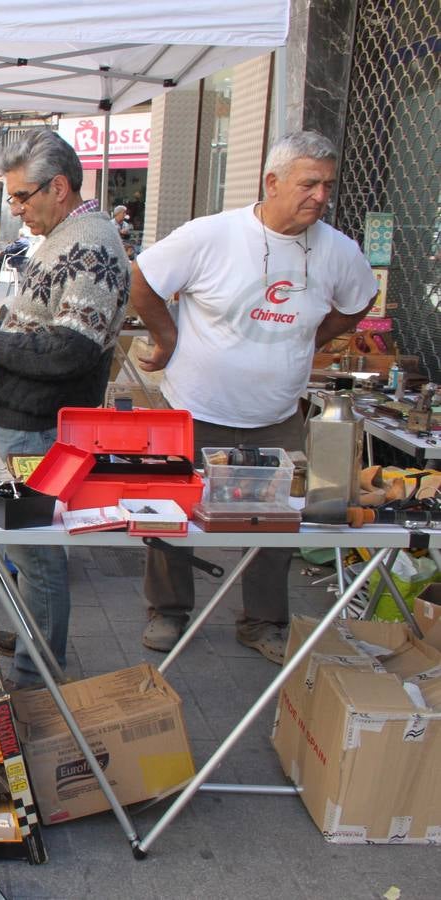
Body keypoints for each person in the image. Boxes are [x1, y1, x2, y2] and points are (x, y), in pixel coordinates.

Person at [130, 130, 377, 663]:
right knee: (174, 513)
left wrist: (315, 337)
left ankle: (262, 622)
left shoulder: (337, 251)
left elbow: (360, 300)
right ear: (271, 181)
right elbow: (141, 280)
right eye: (308, 183)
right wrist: (169, 337)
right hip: (193, 408)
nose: (320, 196)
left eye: (327, 185)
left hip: (276, 415)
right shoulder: (210, 236)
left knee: (275, 524)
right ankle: (168, 611)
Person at [0, 131, 130, 689]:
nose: (17, 209)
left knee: (38, 552)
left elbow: (72, 349)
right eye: (12, 198)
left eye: (23, 197)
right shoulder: (62, 237)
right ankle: (35, 635)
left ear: (59, 186)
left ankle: (37, 671)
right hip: (23, 421)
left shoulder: (92, 246)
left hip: (40, 428)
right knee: (27, 550)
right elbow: (48, 324)